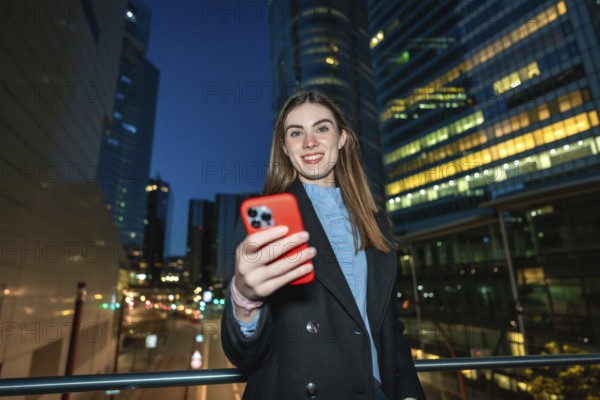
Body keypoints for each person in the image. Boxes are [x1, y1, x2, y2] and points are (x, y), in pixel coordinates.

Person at [221, 90, 426, 400]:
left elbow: (387, 326)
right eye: (295, 133)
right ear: (285, 148)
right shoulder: (266, 216)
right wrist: (245, 301)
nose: (309, 142)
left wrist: (409, 393)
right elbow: (245, 356)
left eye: (322, 128)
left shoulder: (374, 221)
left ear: (342, 138)